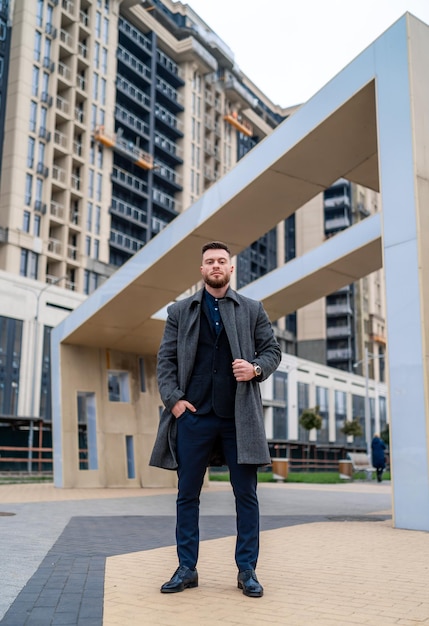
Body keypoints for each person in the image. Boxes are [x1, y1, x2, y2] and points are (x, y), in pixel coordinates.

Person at [149, 241, 281, 598]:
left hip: (239, 419)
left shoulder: (252, 309)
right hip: (194, 416)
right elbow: (166, 362)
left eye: (222, 261)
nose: (216, 266)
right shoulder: (180, 311)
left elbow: (273, 351)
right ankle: (186, 569)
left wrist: (254, 369)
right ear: (202, 269)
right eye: (210, 261)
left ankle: (247, 570)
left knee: (246, 496)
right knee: (187, 495)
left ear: (231, 268)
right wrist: (175, 402)